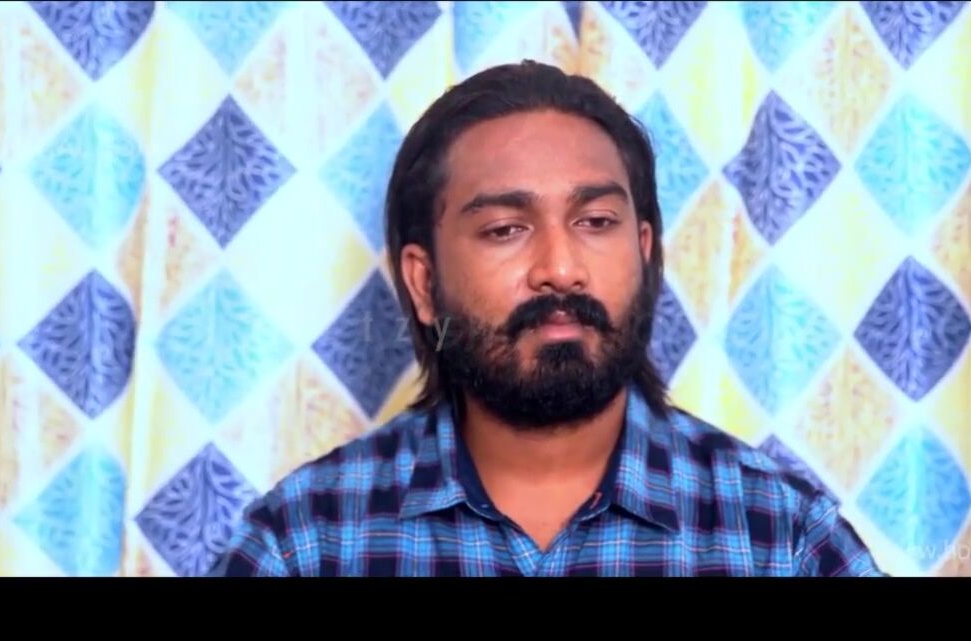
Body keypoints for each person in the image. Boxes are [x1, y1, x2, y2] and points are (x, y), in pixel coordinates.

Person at [211, 60, 886, 577]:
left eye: (596, 222)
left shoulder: (781, 538)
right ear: (424, 282)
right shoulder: (305, 541)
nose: (561, 269)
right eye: (505, 229)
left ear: (644, 251)